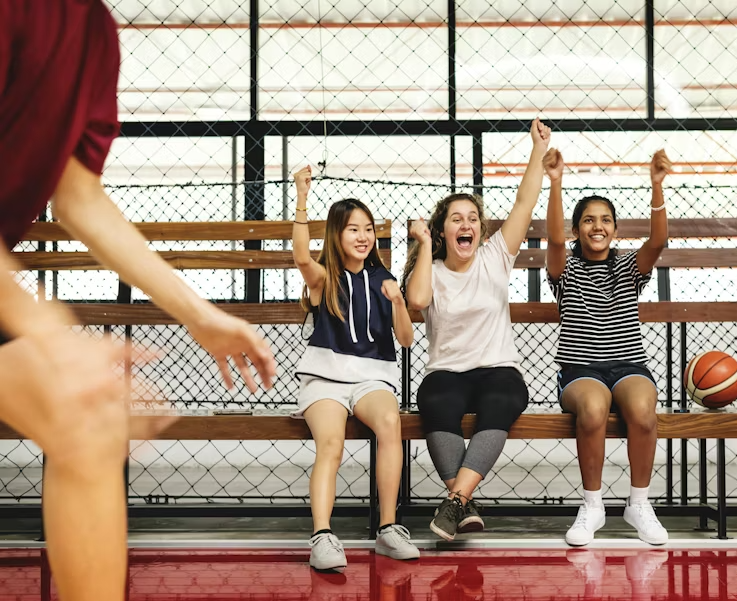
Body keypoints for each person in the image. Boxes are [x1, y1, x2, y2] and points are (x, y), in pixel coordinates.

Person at [0, 3, 276, 599]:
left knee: (92, 419)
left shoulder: (89, 30)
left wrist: (201, 316)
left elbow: (78, 197)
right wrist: (47, 333)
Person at [402, 118, 551, 541]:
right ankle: (463, 502)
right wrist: (425, 247)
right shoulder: (429, 268)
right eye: (455, 219)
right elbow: (415, 302)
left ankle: (455, 501)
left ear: (480, 230)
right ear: (443, 230)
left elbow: (524, 202)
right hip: (447, 371)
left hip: (496, 369)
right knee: (434, 400)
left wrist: (537, 151)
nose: (465, 224)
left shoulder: (495, 255)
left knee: (505, 397)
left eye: (472, 218)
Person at [291, 167, 419, 570]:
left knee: (389, 425)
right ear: (336, 235)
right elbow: (299, 257)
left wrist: (399, 302)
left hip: (371, 377)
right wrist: (301, 198)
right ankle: (323, 536)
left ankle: (388, 528)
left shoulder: (385, 278)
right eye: (352, 230)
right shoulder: (323, 277)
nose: (363, 236)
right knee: (331, 444)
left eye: (368, 229)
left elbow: (406, 339)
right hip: (325, 378)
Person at [543, 147, 672, 546]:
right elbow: (553, 239)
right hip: (581, 370)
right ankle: (593, 505)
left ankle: (638, 503)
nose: (597, 227)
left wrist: (656, 187)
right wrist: (556, 182)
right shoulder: (567, 268)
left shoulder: (627, 267)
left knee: (642, 409)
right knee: (594, 408)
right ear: (578, 229)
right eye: (587, 220)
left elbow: (659, 240)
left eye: (605, 220)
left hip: (627, 365)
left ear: (615, 228)